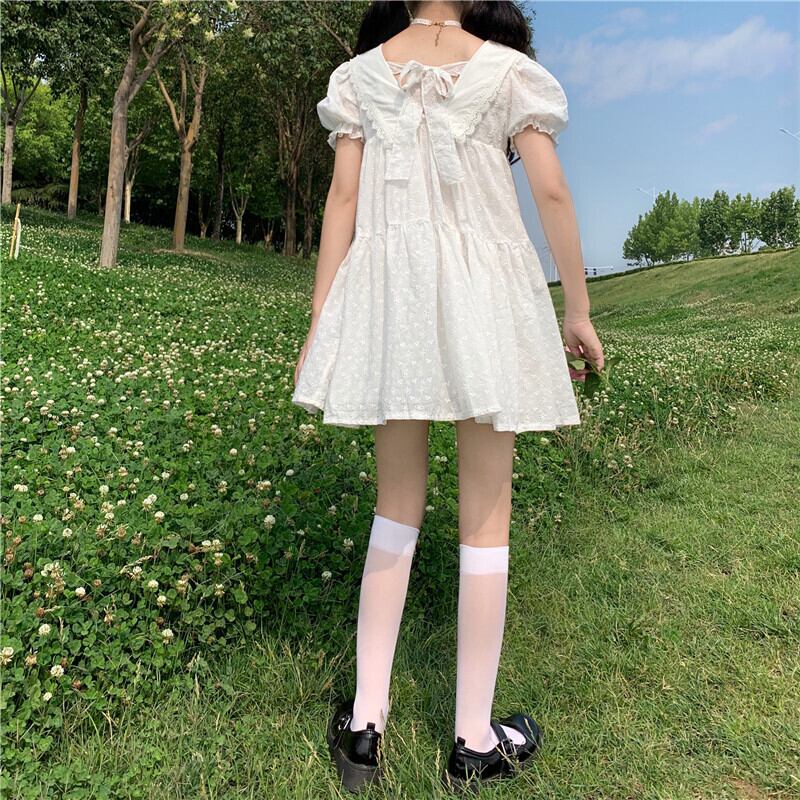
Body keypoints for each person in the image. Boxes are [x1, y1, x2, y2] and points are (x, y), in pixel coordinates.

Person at [292, 0, 604, 793]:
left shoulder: (358, 77)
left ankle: (365, 726)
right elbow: (552, 191)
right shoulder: (510, 72)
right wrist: (577, 309)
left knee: (394, 508)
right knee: (486, 519)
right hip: (488, 298)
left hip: (393, 297)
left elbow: (342, 200)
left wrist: (322, 317)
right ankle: (472, 738)